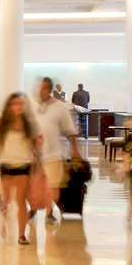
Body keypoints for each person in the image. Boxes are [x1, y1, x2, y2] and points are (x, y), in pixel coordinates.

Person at [0, 91, 43, 244]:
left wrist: (38, 148)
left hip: (24, 166)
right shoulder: (3, 124)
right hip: (6, 165)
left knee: (20, 201)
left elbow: (35, 145)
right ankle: (4, 220)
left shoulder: (29, 124)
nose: (18, 107)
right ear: (9, 106)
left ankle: (21, 235)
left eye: (21, 104)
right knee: (7, 201)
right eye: (15, 104)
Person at [34, 77, 79, 223]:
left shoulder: (59, 107)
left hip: (53, 154)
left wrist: (75, 150)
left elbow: (70, 130)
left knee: (53, 185)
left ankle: (49, 212)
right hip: (34, 155)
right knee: (34, 184)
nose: (40, 91)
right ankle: (34, 208)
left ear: (49, 89)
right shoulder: (32, 106)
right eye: (38, 88)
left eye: (43, 88)